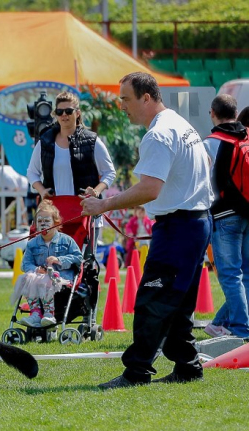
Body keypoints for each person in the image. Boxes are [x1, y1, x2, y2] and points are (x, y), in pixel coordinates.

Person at [81, 72, 213, 388]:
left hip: (179, 228)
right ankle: (188, 367)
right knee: (179, 303)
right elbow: (203, 162)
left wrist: (103, 205)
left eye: (126, 98)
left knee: (152, 301)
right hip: (195, 223)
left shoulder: (158, 134)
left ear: (146, 97)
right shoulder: (179, 124)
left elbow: (150, 188)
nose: (121, 105)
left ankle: (137, 371)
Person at [27, 91, 116, 242]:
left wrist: (96, 191)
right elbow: (32, 173)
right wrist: (42, 191)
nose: (64, 115)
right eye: (60, 112)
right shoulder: (45, 141)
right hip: (54, 215)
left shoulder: (91, 140)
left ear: (78, 113)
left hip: (86, 213)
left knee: (83, 263)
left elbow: (109, 172)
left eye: (69, 111)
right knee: (52, 261)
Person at [202, 94, 249, 339]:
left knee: (230, 275)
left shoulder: (211, 142)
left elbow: (202, 182)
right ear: (235, 111)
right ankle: (221, 321)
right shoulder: (247, 137)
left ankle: (240, 328)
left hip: (224, 214)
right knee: (246, 275)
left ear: (213, 113)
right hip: (247, 212)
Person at [13, 199, 82, 327]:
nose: (43, 224)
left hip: (61, 279)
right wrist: (36, 269)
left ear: (55, 223)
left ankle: (49, 314)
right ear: (36, 225)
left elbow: (78, 257)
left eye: (46, 221)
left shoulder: (67, 241)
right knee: (27, 278)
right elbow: (25, 264)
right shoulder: (32, 243)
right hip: (39, 279)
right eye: (40, 221)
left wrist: (59, 260)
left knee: (46, 280)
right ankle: (36, 314)